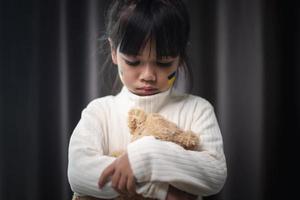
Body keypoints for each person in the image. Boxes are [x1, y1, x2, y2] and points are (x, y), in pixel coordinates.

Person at [67, 0, 227, 200]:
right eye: (134, 62)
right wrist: (159, 190)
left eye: (164, 62)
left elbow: (215, 174)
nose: (148, 75)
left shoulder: (197, 110)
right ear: (113, 52)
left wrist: (146, 156)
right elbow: (78, 172)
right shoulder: (100, 112)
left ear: (181, 57)